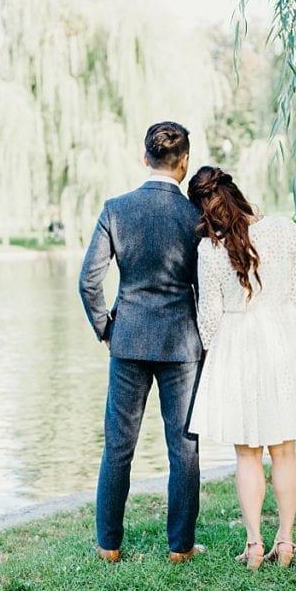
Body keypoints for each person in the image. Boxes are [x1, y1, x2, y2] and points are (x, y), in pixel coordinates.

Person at [186, 166, 296, 569]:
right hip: (283, 338)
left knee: (247, 453)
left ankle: (254, 546)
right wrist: (291, 337)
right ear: (237, 192)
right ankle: (285, 542)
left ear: (203, 211)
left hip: (237, 344)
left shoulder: (209, 250)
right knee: (284, 450)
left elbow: (209, 316)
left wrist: (219, 356)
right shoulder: (285, 229)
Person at [79, 121, 204, 564]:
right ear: (184, 163)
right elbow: (206, 288)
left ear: (144, 157)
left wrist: (106, 327)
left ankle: (109, 546)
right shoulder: (195, 217)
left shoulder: (116, 209)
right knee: (183, 447)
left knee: (118, 444)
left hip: (127, 340)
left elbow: (89, 281)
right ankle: (180, 549)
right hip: (181, 345)